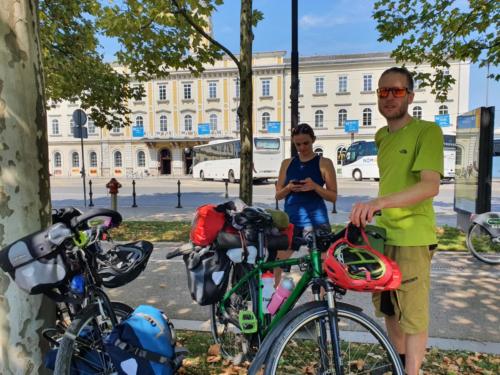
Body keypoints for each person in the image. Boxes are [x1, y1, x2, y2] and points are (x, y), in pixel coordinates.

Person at [349, 67, 443, 375]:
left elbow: (430, 185)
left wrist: (379, 203)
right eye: (383, 91)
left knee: (413, 315)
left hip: (413, 238)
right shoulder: (380, 136)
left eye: (397, 91)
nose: (389, 97)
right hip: (383, 237)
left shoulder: (427, 132)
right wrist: (374, 212)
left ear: (410, 96)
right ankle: (399, 365)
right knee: (388, 307)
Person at [275, 123, 337, 280]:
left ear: (313, 140)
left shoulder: (324, 163)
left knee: (322, 268)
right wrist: (289, 187)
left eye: (306, 143)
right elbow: (278, 195)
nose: (302, 148)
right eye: (298, 144)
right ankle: (270, 300)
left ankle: (323, 302)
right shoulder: (287, 163)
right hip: (292, 222)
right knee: (277, 262)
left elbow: (333, 196)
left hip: (317, 222)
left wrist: (315, 186)